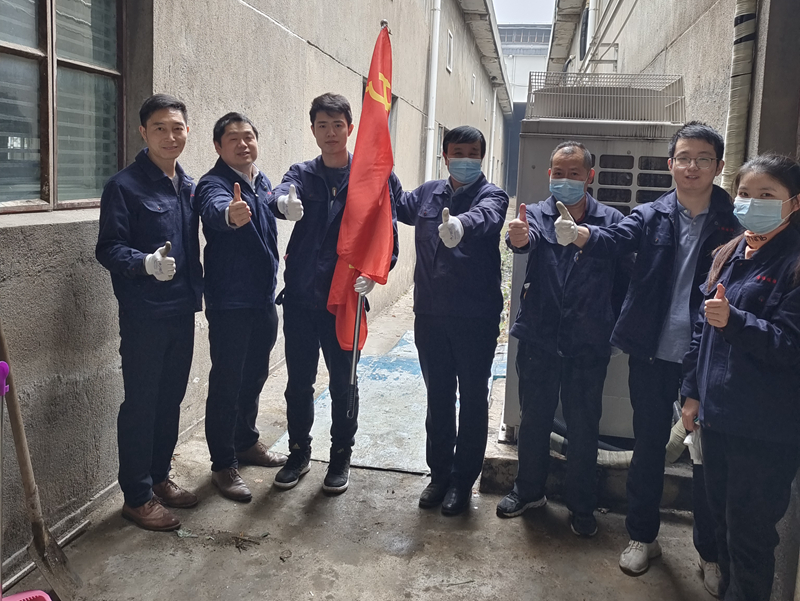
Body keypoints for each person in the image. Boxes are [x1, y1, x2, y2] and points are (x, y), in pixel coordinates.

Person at [554, 122, 740, 581]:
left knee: (707, 457)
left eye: (703, 159)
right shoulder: (650, 214)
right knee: (649, 446)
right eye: (684, 158)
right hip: (653, 351)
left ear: (718, 166)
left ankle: (710, 552)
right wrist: (579, 235)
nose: (692, 167)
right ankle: (642, 536)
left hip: (707, 356)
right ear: (670, 164)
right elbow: (614, 240)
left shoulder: (734, 222)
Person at [496, 141, 631, 536]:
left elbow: (625, 278)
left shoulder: (611, 220)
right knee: (533, 419)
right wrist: (517, 238)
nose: (566, 179)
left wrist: (608, 324)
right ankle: (528, 491)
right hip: (538, 337)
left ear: (590, 177)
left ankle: (582, 505)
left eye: (575, 173)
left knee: (584, 424)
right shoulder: (536, 214)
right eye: (559, 172)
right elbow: (524, 242)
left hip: (588, 343)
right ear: (549, 174)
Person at [681, 154, 800, 601]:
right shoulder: (729, 253)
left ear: (794, 203)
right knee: (723, 526)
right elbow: (702, 329)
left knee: (750, 536)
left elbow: (790, 346)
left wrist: (736, 321)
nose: (752, 203)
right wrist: (692, 393)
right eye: (745, 194)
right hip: (718, 418)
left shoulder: (793, 263)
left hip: (765, 429)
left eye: (767, 195)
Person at [269, 93, 400, 494]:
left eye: (337, 125)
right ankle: (298, 453)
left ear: (350, 128)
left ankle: (341, 455)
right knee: (299, 383)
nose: (330, 133)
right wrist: (283, 203)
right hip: (301, 298)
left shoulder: (372, 176)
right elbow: (280, 193)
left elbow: (387, 233)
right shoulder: (302, 174)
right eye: (322, 125)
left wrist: (375, 275)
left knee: (344, 382)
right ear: (312, 130)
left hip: (345, 300)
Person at [96, 94, 203, 531]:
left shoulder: (188, 186)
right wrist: (144, 263)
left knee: (170, 400)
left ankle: (159, 477)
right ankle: (137, 497)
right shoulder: (124, 186)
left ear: (187, 131)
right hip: (144, 315)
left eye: (177, 128)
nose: (169, 136)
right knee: (141, 404)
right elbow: (108, 248)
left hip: (181, 309)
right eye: (159, 127)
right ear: (143, 132)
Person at [395, 125, 509, 516]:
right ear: (445, 156)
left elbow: (486, 217)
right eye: (458, 152)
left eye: (473, 153)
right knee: (439, 398)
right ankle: (439, 475)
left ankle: (462, 482)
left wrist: (461, 225)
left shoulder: (492, 195)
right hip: (430, 314)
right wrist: (376, 162)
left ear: (481, 157)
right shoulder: (428, 193)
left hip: (474, 317)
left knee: (473, 400)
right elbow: (397, 203)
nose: (466, 159)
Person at [195, 113, 289, 503]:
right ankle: (223, 463)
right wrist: (229, 215)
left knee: (254, 376)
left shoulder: (261, 181)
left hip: (262, 298)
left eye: (248, 136)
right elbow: (214, 209)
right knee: (227, 382)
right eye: (233, 138)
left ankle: (246, 442)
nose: (243, 144)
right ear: (218, 146)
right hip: (231, 302)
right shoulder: (213, 184)